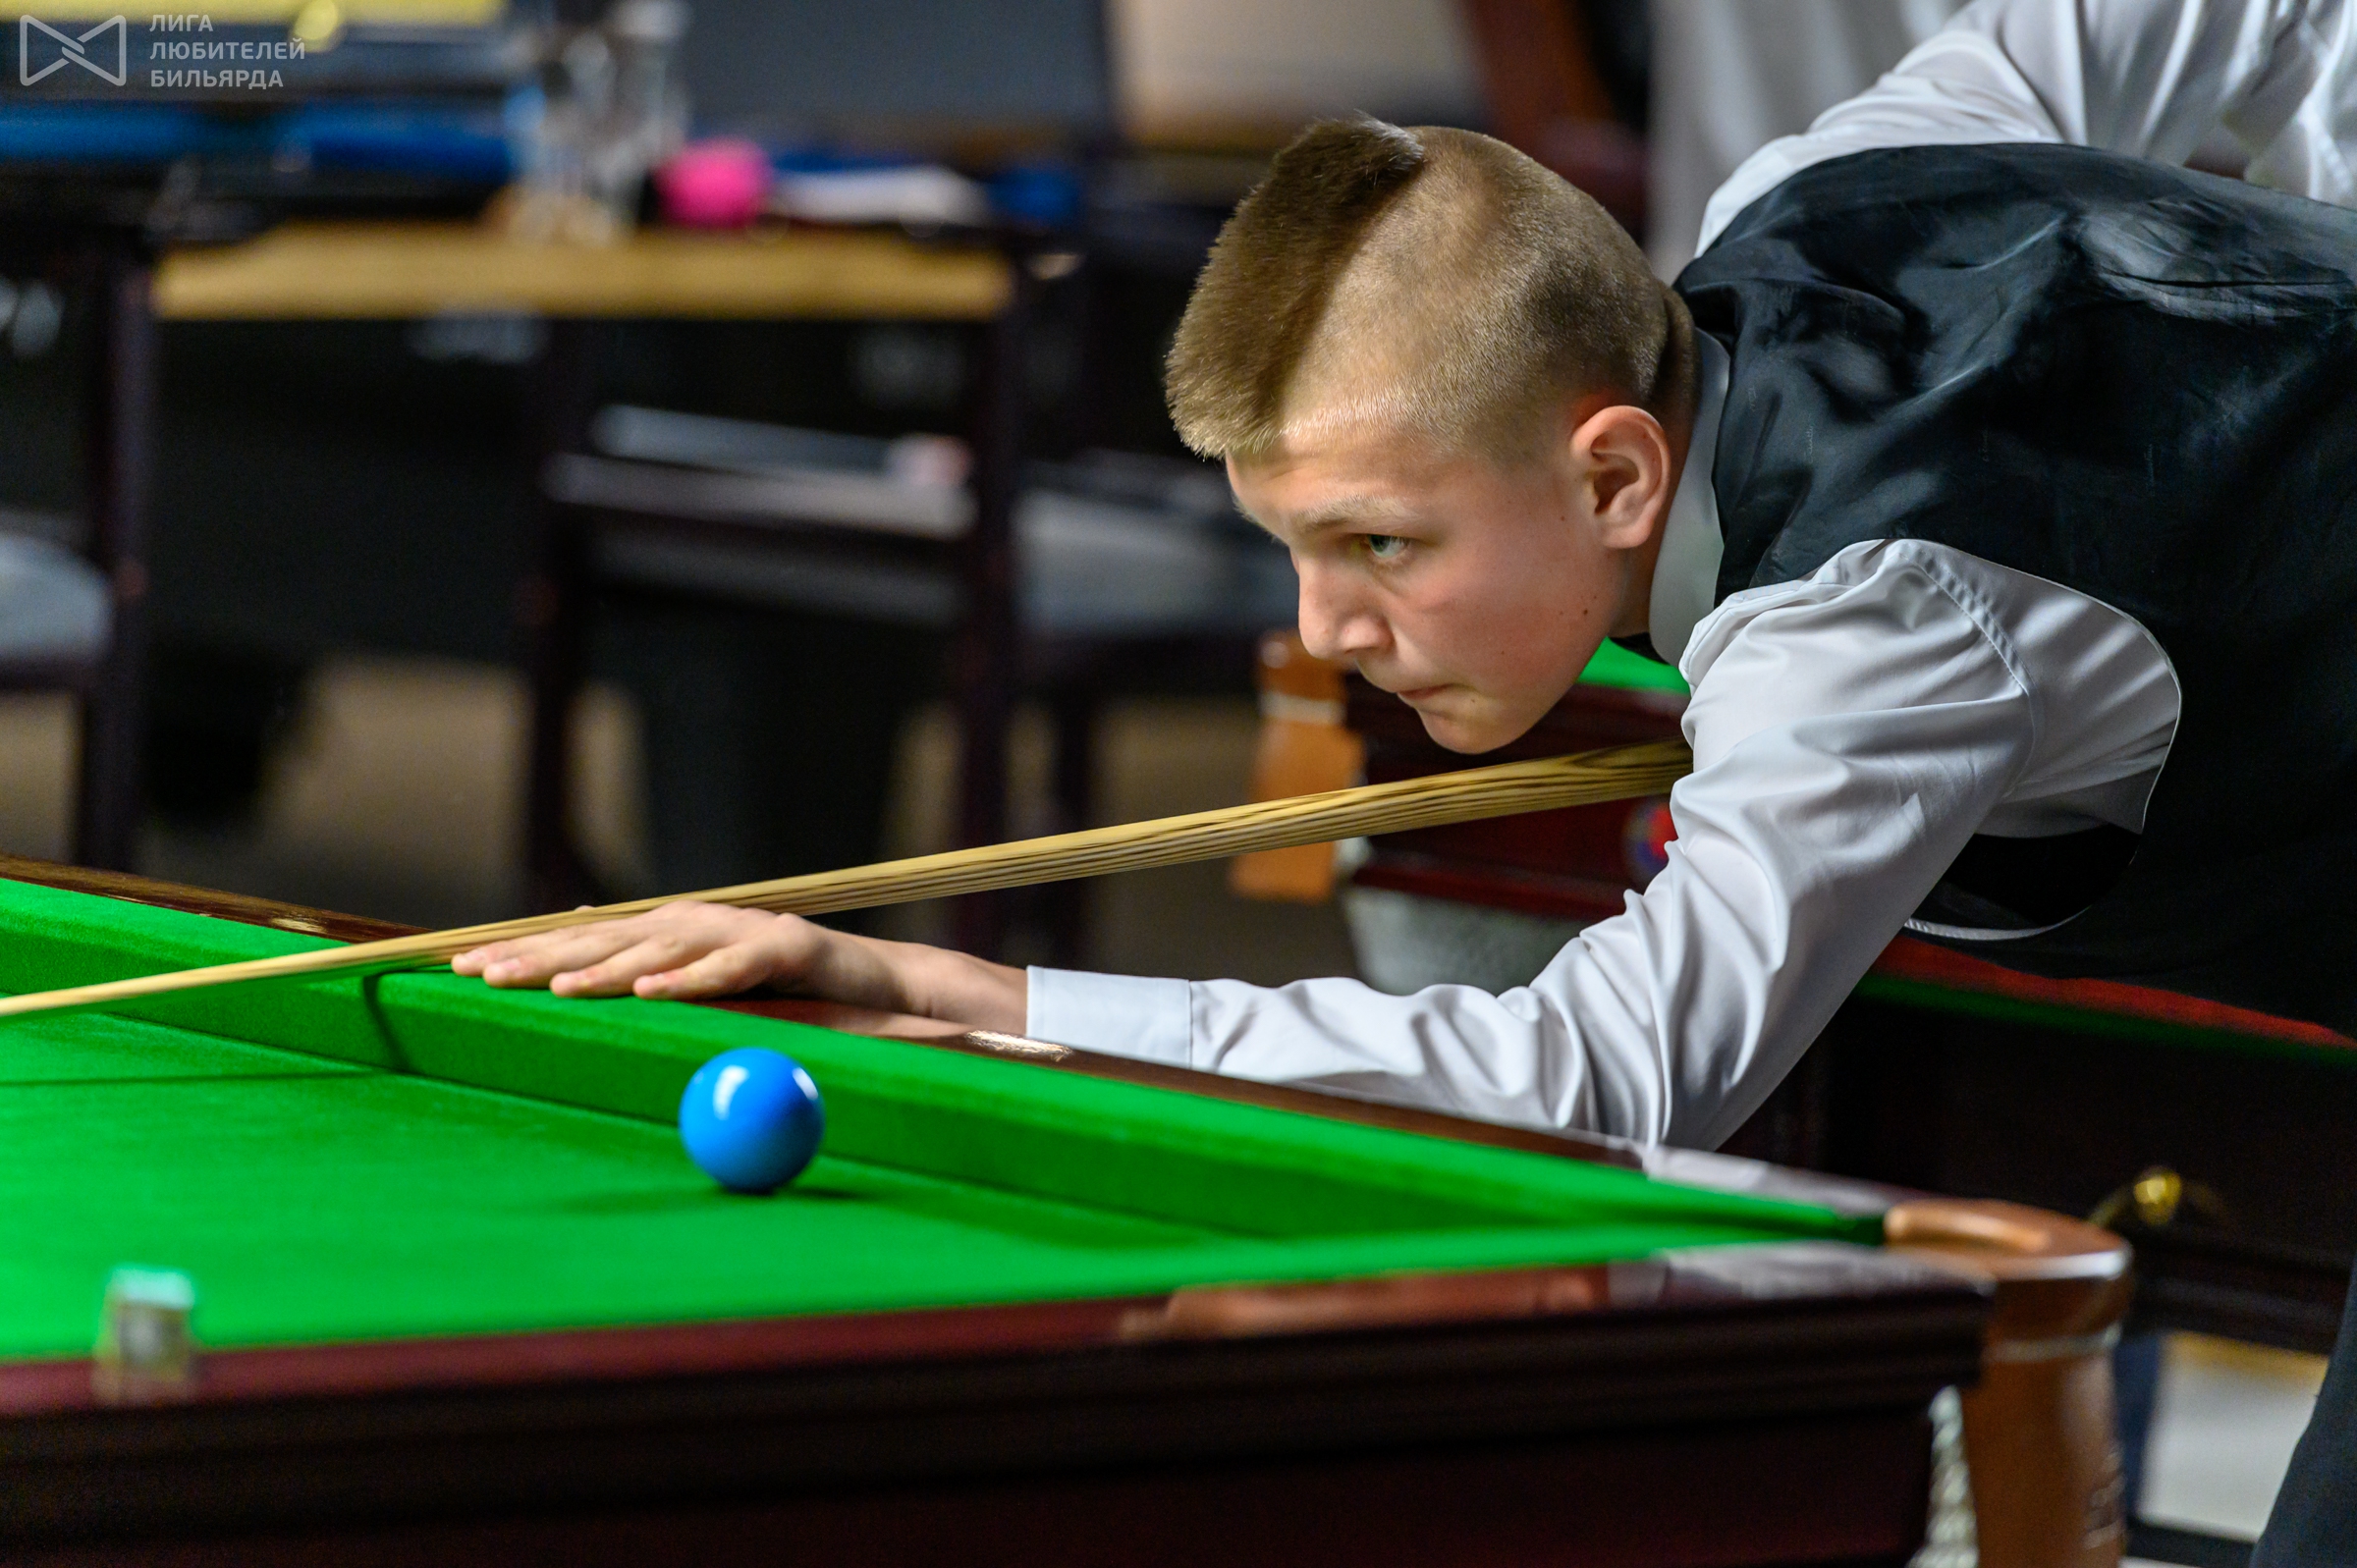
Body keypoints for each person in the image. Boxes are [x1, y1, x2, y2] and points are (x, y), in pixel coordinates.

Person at [455, 1, 2357, 1552]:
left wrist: (963, 992)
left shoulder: (1872, 621)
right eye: (1292, 548)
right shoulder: (1811, 196)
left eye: (1380, 545)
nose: (1322, 631)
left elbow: (1583, 1087)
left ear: (1614, 475)